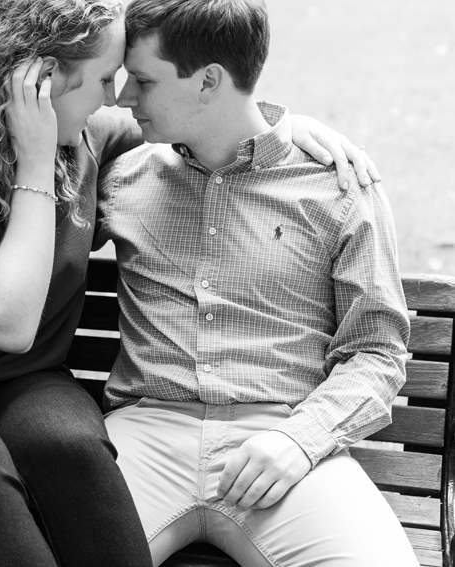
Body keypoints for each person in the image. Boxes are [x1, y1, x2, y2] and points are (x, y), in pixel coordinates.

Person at [0, 1, 377, 565]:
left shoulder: (90, 138)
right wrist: (36, 162)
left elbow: (218, 123)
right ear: (38, 82)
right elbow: (9, 322)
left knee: (69, 446)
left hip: (24, 387)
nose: (116, 99)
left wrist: (291, 129)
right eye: (106, 79)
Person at [97, 0, 417, 565]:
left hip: (284, 438)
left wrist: (301, 440)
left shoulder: (339, 187)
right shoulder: (121, 176)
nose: (124, 97)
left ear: (209, 81)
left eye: (142, 80)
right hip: (143, 434)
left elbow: (377, 352)